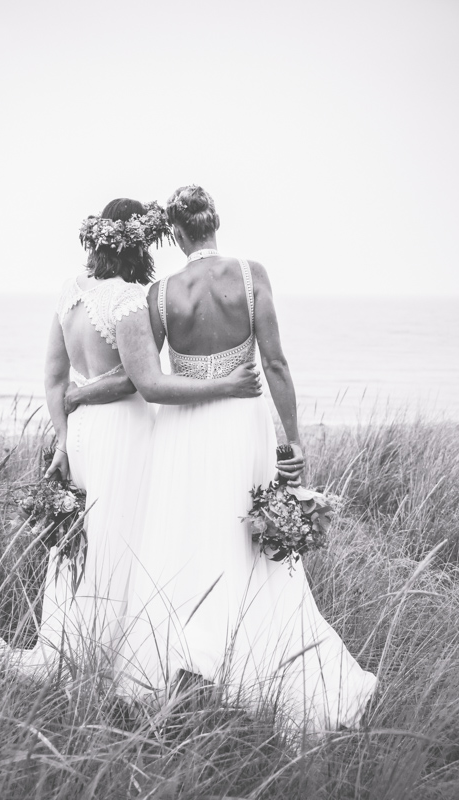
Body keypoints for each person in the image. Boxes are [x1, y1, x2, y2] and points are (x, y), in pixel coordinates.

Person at [0, 197, 260, 679]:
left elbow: (55, 381)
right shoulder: (128, 301)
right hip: (126, 434)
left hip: (81, 439)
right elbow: (144, 382)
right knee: (122, 539)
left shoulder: (68, 293)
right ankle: (106, 654)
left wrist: (62, 438)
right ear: (140, 244)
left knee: (85, 539)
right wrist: (226, 385)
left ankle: (67, 643)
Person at [114, 185, 376, 735]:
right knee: (247, 545)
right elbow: (275, 364)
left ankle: (185, 662)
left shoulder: (161, 293)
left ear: (178, 235)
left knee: (188, 538)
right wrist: (294, 440)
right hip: (242, 425)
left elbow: (153, 383)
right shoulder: (252, 274)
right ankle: (256, 658)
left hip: (182, 432)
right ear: (215, 225)